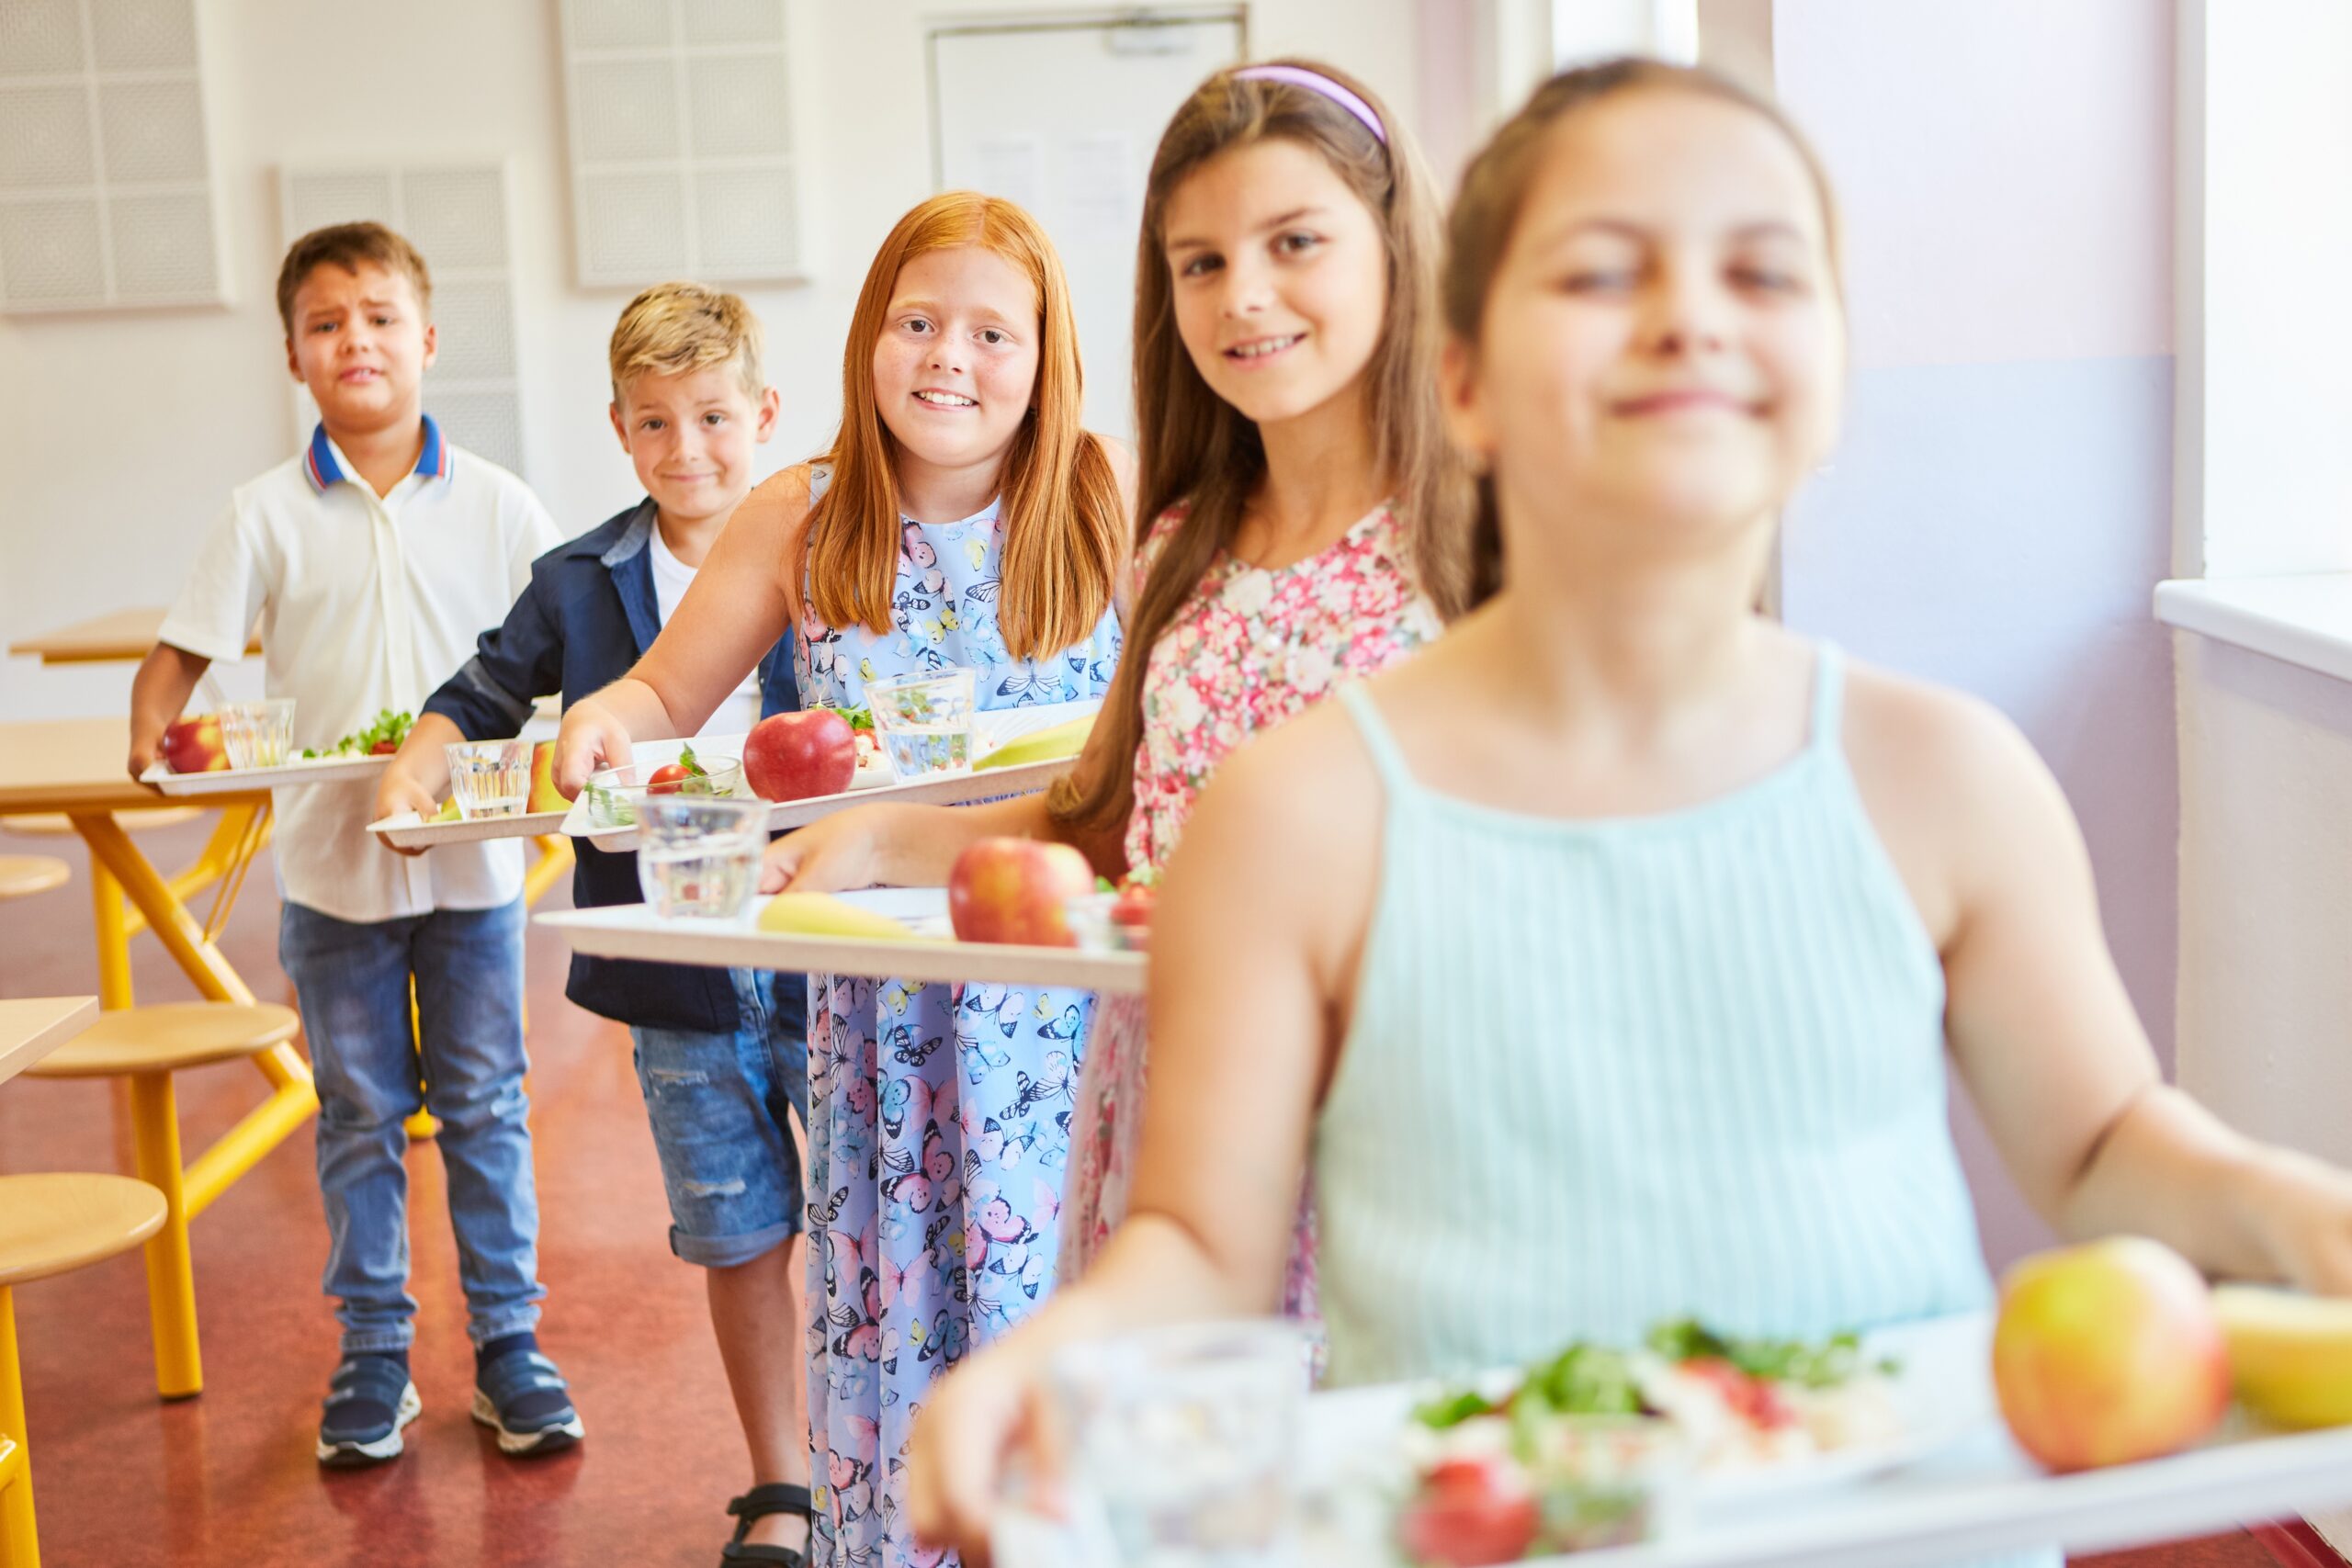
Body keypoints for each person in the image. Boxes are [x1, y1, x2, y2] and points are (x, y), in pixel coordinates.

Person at [906, 62, 2352, 1565]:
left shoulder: (1948, 777)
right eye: (1602, 269)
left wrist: (2292, 1211)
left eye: (1760, 268)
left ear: (1834, 363)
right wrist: (1046, 1363)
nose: (1689, 312)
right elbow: (1202, 1242)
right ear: (1460, 373)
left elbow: (2108, 1135)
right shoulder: (1294, 817)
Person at [763, 60, 1471, 1335]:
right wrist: (873, 839)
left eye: (1295, 241)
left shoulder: (1474, 546)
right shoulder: (1184, 545)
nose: (1243, 295)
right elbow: (1101, 828)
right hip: (1173, 1142)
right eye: (1198, 262)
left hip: (1403, 1137)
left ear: (1393, 248)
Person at [551, 194, 1128, 1568]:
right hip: (886, 1023)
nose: (950, 358)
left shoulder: (1106, 496)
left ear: (1046, 358)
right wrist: (606, 727)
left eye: (994, 332)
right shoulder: (801, 513)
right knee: (906, 1323)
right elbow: (659, 689)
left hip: (1075, 1007)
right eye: (918, 322)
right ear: (869, 335)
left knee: (1076, 1328)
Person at [375, 282, 814, 1559]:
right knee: (737, 1233)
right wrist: (418, 766)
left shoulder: (823, 554)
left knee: (862, 1219)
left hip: (824, 946)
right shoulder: (579, 580)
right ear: (620, 431)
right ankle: (781, 1486)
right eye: (657, 424)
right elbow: (480, 689)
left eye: (717, 418)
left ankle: (875, 1462)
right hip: (671, 969)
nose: (689, 451)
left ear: (766, 415)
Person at [129, 221, 575, 1467]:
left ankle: (509, 1346)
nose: (356, 341)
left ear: (427, 341)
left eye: (379, 317)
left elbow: (568, 647)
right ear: (292, 357)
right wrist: (152, 724)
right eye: (327, 324)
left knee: (487, 1106)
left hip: (476, 869)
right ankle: (374, 1351)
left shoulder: (498, 502)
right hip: (330, 878)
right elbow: (182, 654)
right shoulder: (264, 511)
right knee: (359, 1114)